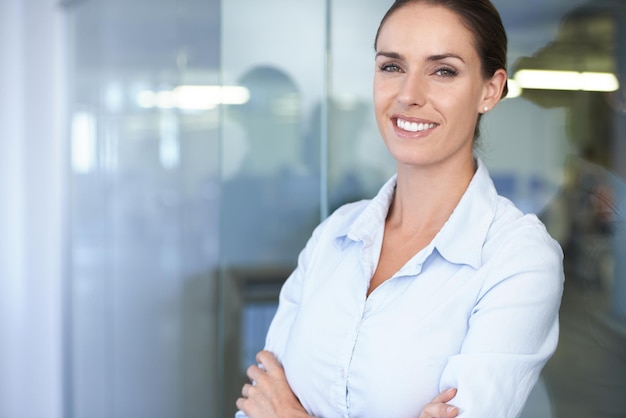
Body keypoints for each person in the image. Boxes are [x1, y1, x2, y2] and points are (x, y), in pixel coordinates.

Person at [235, 0, 564, 416]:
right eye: (392, 67)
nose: (409, 95)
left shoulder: (517, 258)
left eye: (443, 71)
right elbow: (257, 404)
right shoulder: (334, 235)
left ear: (489, 90)